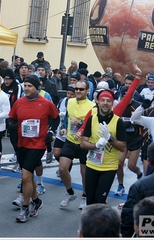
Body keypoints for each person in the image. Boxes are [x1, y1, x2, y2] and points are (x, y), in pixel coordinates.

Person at [8, 74, 58, 222]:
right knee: (28, 177)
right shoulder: (19, 102)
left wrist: (51, 131)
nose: (27, 88)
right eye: (25, 85)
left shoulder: (46, 103)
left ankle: (25, 208)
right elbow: (12, 117)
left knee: (25, 177)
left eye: (30, 86)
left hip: (38, 144)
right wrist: (12, 124)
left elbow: (56, 118)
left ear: (37, 87)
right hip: (22, 143)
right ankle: (36, 201)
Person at [80, 89, 127, 205]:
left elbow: (122, 147)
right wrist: (95, 145)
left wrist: (110, 138)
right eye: (103, 100)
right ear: (98, 102)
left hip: (108, 167)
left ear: (112, 103)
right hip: (92, 164)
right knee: (90, 201)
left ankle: (100, 221)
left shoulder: (118, 122)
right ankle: (92, 222)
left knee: (100, 201)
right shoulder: (92, 119)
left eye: (108, 101)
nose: (105, 103)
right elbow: (83, 143)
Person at [59, 80, 95, 209]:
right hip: (70, 140)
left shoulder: (92, 106)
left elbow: (92, 126)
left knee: (84, 173)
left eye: (81, 89)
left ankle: (85, 196)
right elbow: (67, 118)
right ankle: (70, 192)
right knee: (62, 168)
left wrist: (79, 125)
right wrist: (64, 127)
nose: (78, 91)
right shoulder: (70, 102)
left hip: (84, 143)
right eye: (77, 89)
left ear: (87, 91)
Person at [114, 85, 143, 197]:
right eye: (124, 95)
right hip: (123, 138)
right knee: (119, 163)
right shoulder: (119, 106)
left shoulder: (137, 106)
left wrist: (135, 123)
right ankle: (121, 185)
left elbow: (143, 122)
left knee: (131, 166)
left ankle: (139, 173)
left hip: (135, 138)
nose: (127, 97)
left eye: (129, 95)